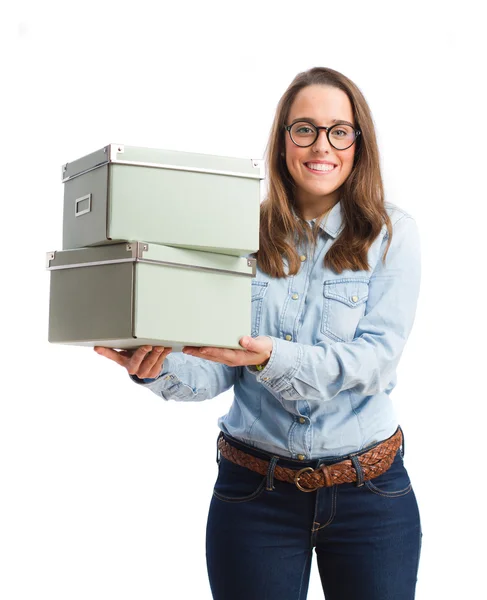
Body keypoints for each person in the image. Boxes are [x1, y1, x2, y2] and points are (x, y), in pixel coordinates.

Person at [94, 66, 422, 600]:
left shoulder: (392, 236)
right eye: (305, 129)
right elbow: (218, 364)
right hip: (254, 495)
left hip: (371, 495)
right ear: (283, 140)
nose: (323, 145)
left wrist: (269, 357)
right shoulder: (240, 232)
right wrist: (155, 365)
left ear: (359, 143)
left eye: (340, 130)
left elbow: (374, 362)